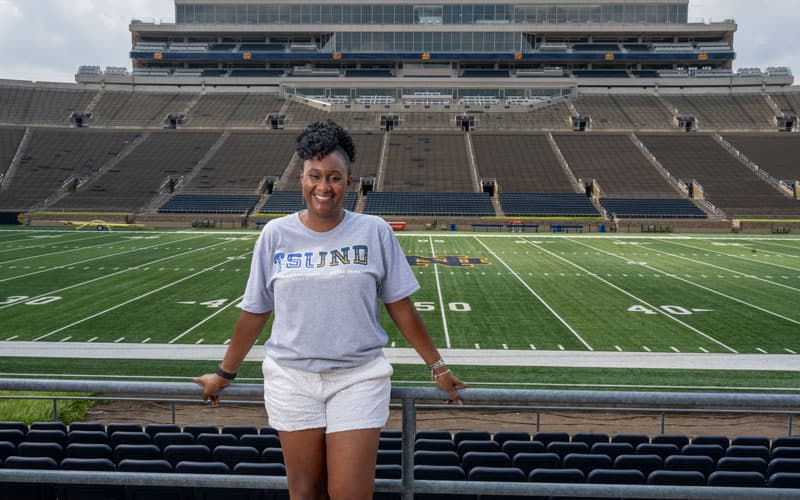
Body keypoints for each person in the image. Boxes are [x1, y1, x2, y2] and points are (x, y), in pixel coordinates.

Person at [194, 120, 466, 500]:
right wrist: (224, 374)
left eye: (334, 177)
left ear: (350, 181)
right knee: (305, 494)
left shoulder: (374, 231)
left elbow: (399, 305)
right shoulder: (275, 234)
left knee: (349, 494)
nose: (324, 187)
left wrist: (438, 367)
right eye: (314, 176)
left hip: (358, 377)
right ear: (301, 179)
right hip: (291, 378)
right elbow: (255, 311)